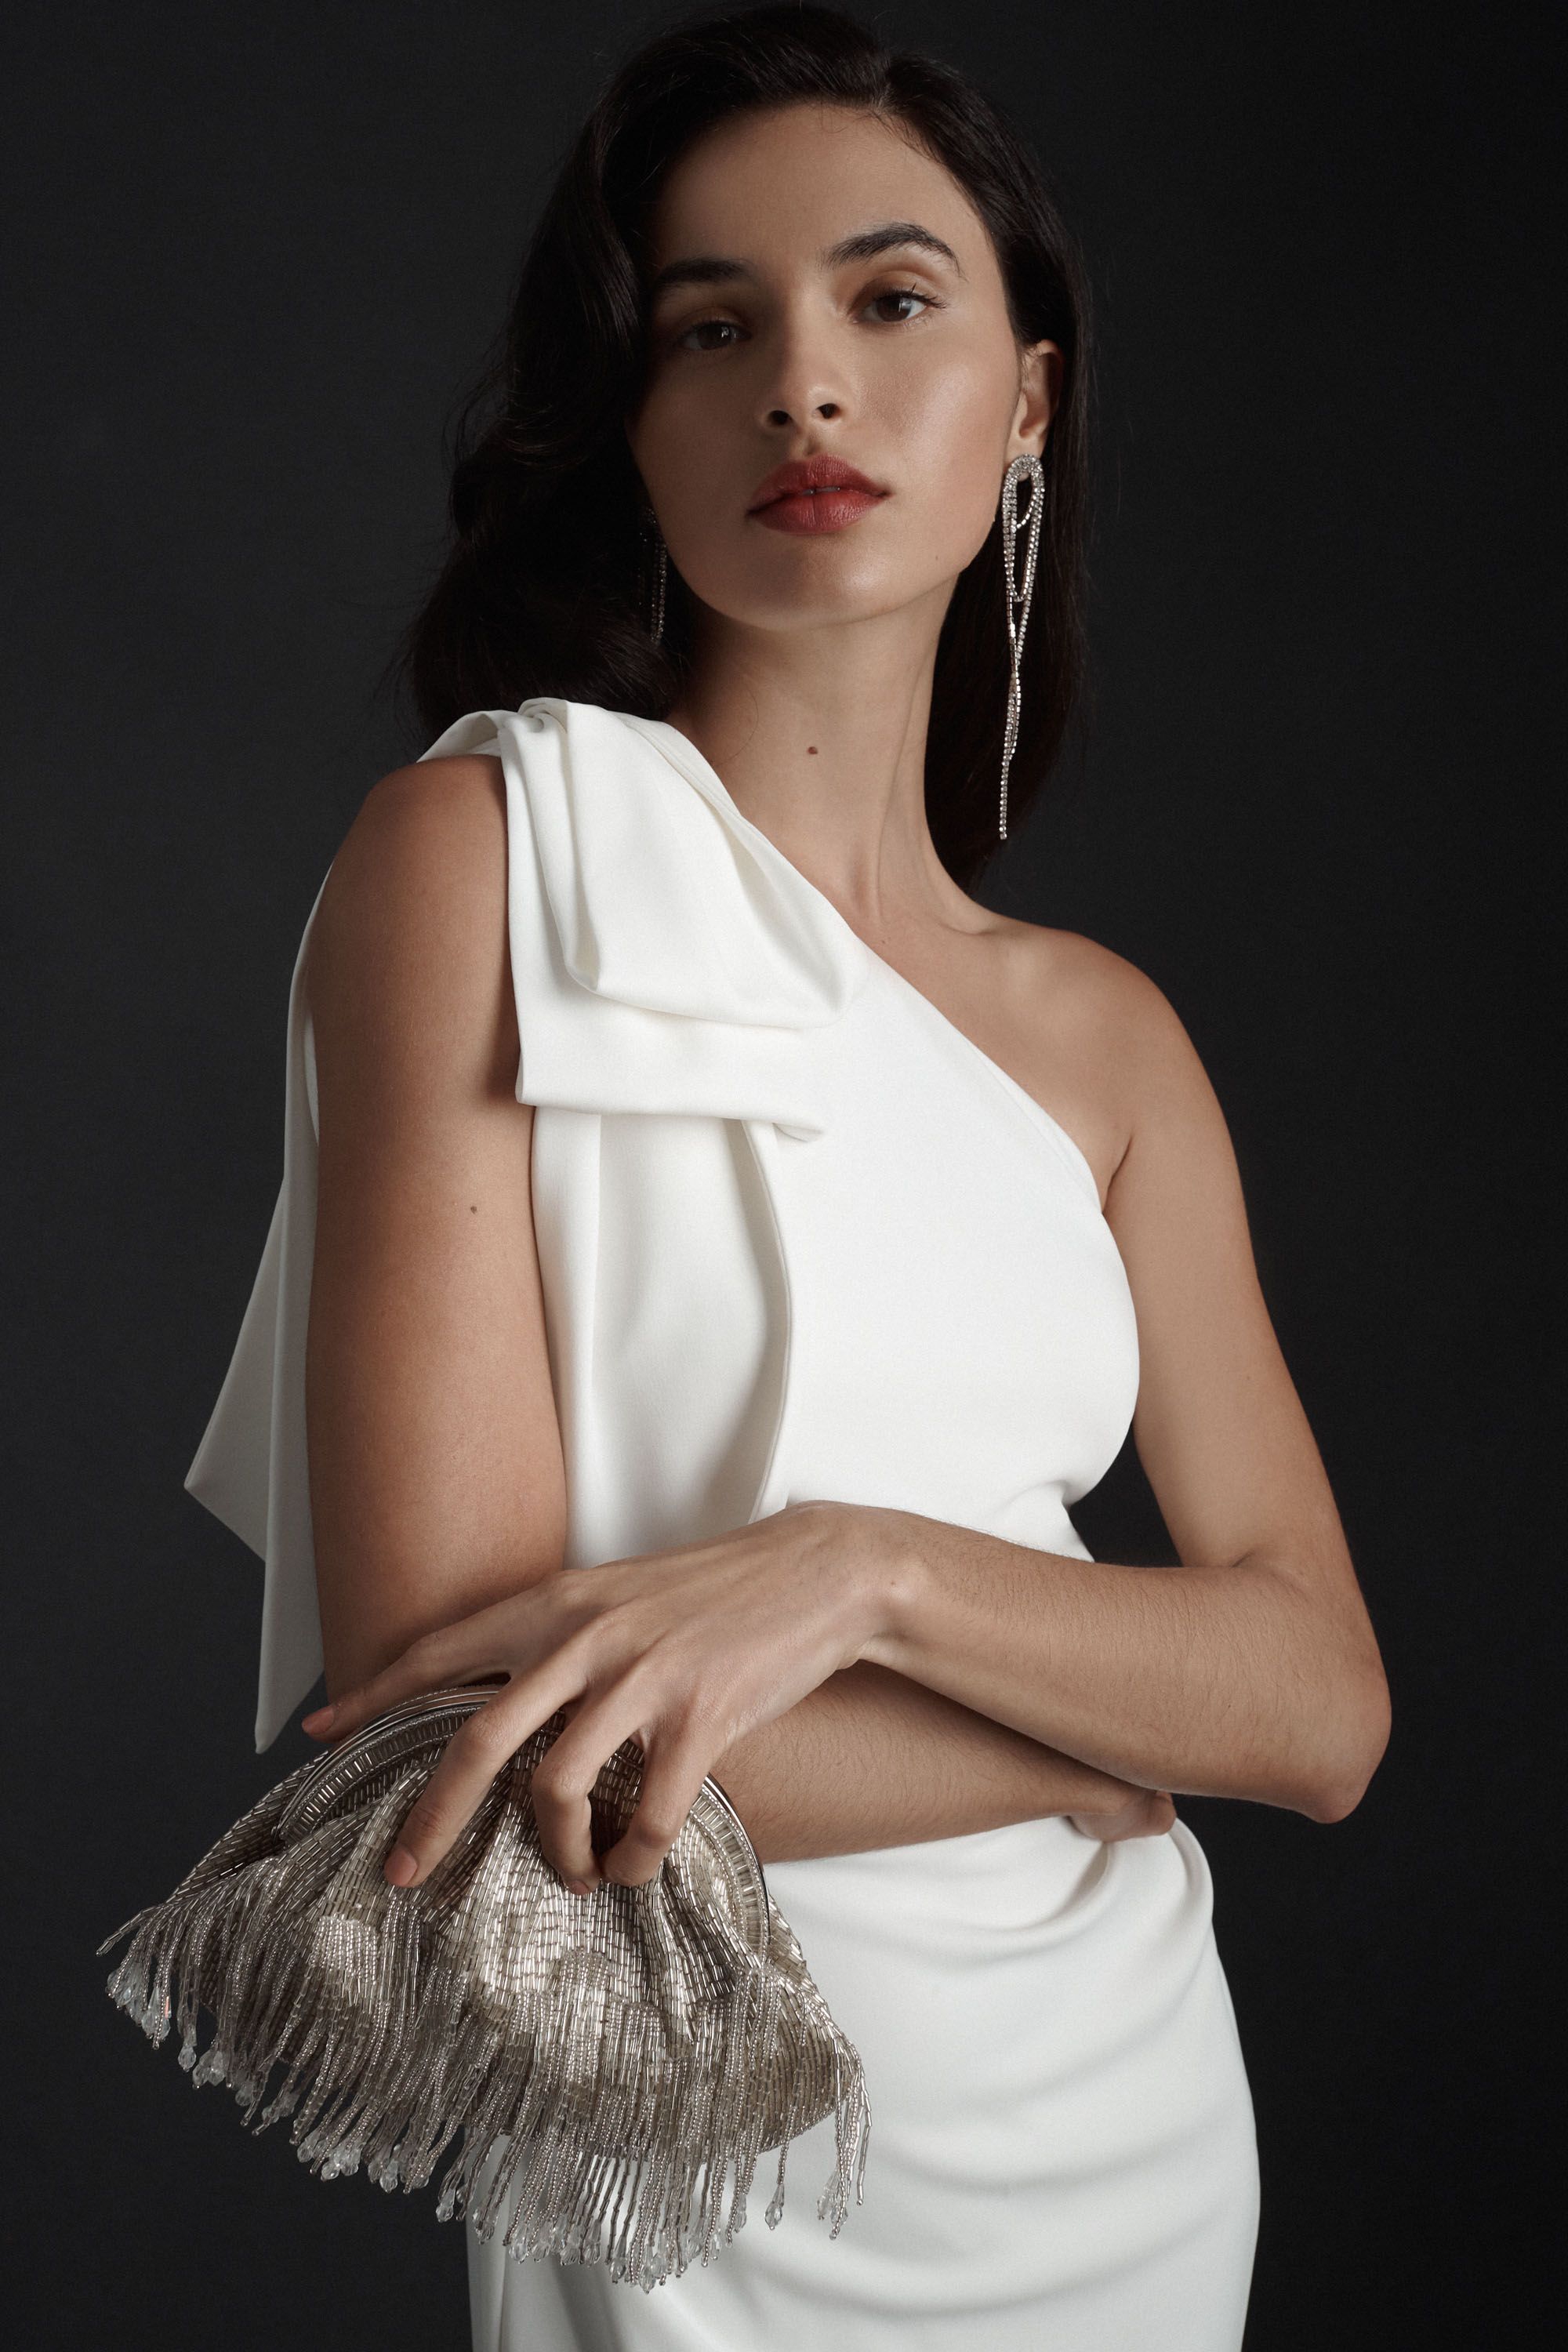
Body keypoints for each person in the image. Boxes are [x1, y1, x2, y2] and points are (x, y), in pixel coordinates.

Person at [183, 8, 1390, 2347]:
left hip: (1116, 2141)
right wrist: (1090, 1747)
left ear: (1027, 401)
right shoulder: (489, 858)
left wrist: (868, 1573)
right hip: (698, 2162)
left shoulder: (1108, 1036)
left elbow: (1322, 1701)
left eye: (891, 299)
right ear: (629, 420)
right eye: (708, 329)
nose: (805, 388)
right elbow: (451, 1730)